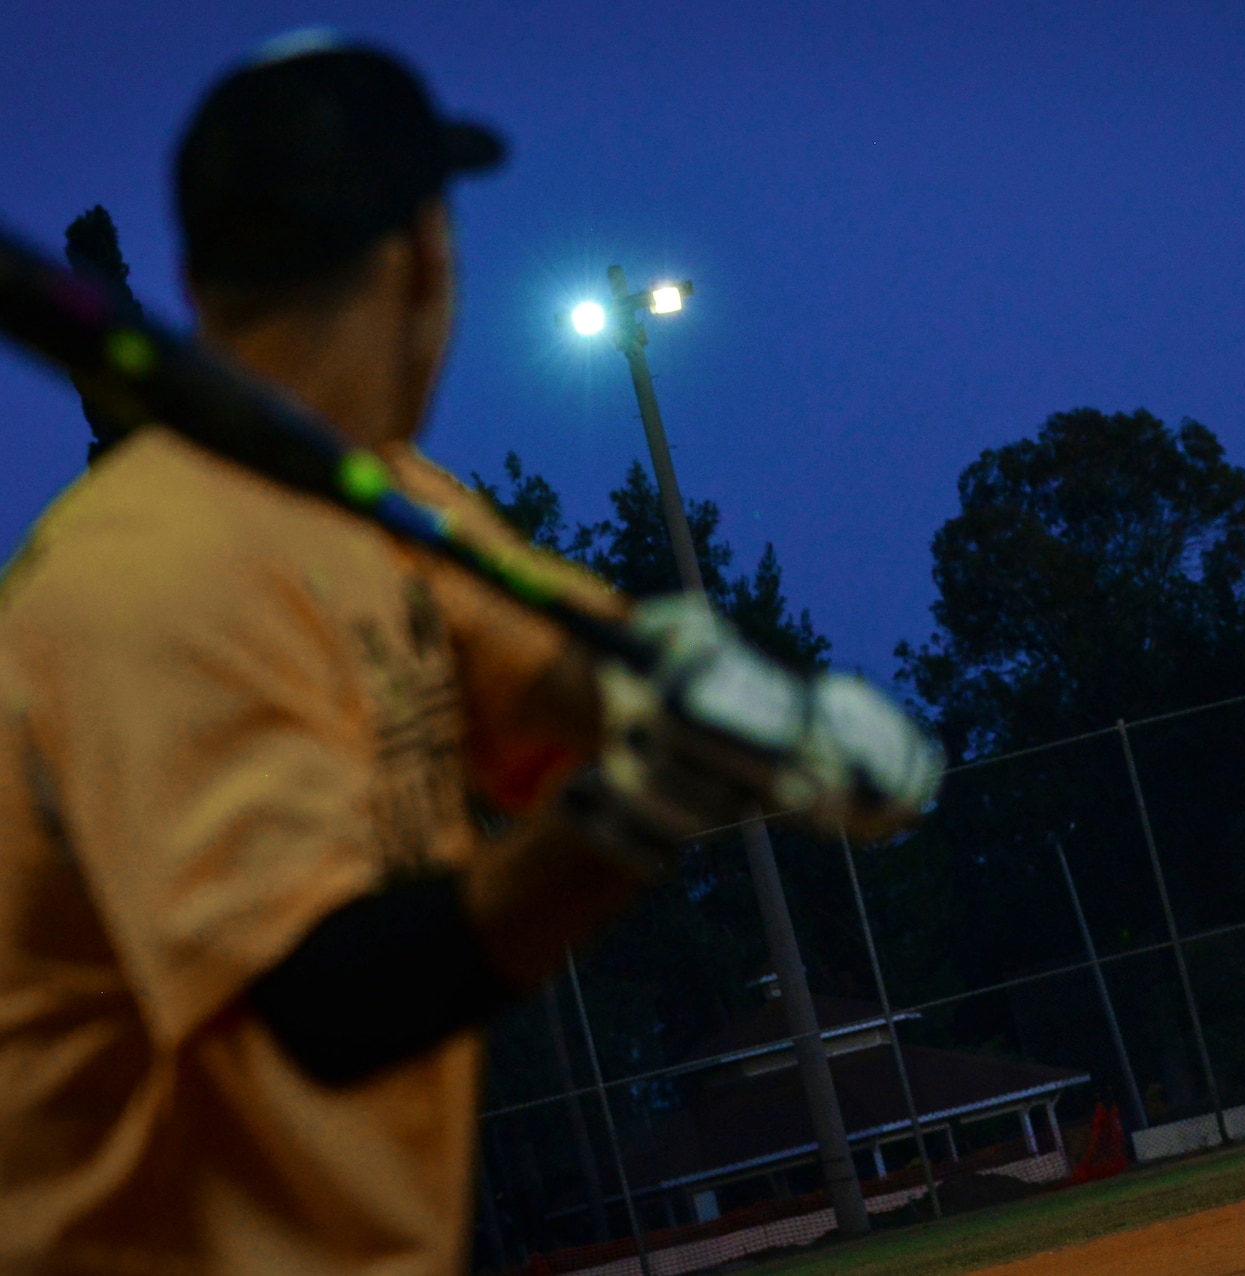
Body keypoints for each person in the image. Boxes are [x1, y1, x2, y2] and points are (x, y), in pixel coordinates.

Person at [0, 37, 934, 1273]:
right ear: (425, 258)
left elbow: (548, 673)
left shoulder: (391, 503)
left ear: (198, 274)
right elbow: (325, 1009)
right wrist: (640, 804)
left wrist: (730, 697)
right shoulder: (144, 583)